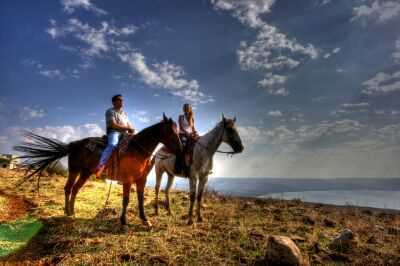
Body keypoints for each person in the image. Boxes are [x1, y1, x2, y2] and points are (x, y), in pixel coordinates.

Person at [94, 94, 135, 178]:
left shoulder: (125, 114)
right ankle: (100, 166)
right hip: (114, 132)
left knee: (134, 145)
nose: (121, 102)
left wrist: (132, 129)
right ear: (114, 102)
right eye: (119, 100)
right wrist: (128, 127)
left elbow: (129, 124)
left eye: (122, 100)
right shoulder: (110, 111)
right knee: (112, 145)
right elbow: (113, 125)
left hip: (125, 134)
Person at [176, 103, 198, 176]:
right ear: (183, 109)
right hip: (182, 134)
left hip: (190, 135)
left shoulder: (192, 118)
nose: (186, 109)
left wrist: (195, 132)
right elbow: (181, 127)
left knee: (198, 145)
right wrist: (187, 133)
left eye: (188, 108)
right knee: (183, 148)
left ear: (190, 109)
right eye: (185, 108)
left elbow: (193, 128)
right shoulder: (181, 117)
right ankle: (183, 167)